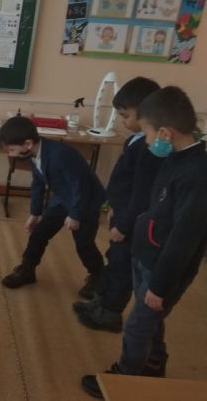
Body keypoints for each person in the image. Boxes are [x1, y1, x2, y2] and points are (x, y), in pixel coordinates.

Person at [82, 86, 207, 398]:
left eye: (148, 133)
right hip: (145, 255)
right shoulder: (174, 158)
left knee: (138, 325)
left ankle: (125, 378)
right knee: (151, 319)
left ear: (164, 133)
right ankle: (154, 361)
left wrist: (160, 286)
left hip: (162, 270)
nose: (146, 141)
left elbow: (184, 239)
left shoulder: (196, 175)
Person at [74, 77, 162, 332]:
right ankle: (98, 303)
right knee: (113, 260)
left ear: (146, 112)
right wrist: (112, 206)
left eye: (125, 115)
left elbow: (142, 193)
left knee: (122, 266)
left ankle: (109, 314)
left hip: (131, 221)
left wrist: (124, 225)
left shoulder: (150, 147)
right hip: (121, 211)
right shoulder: (135, 139)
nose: (122, 121)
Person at [0, 115, 105, 299]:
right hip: (63, 197)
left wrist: (75, 215)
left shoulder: (60, 154)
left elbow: (80, 186)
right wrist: (35, 213)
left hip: (86, 201)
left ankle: (98, 276)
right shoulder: (33, 154)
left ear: (28, 144)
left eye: (12, 150)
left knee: (84, 244)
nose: (11, 155)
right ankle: (27, 270)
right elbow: (38, 183)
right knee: (39, 234)